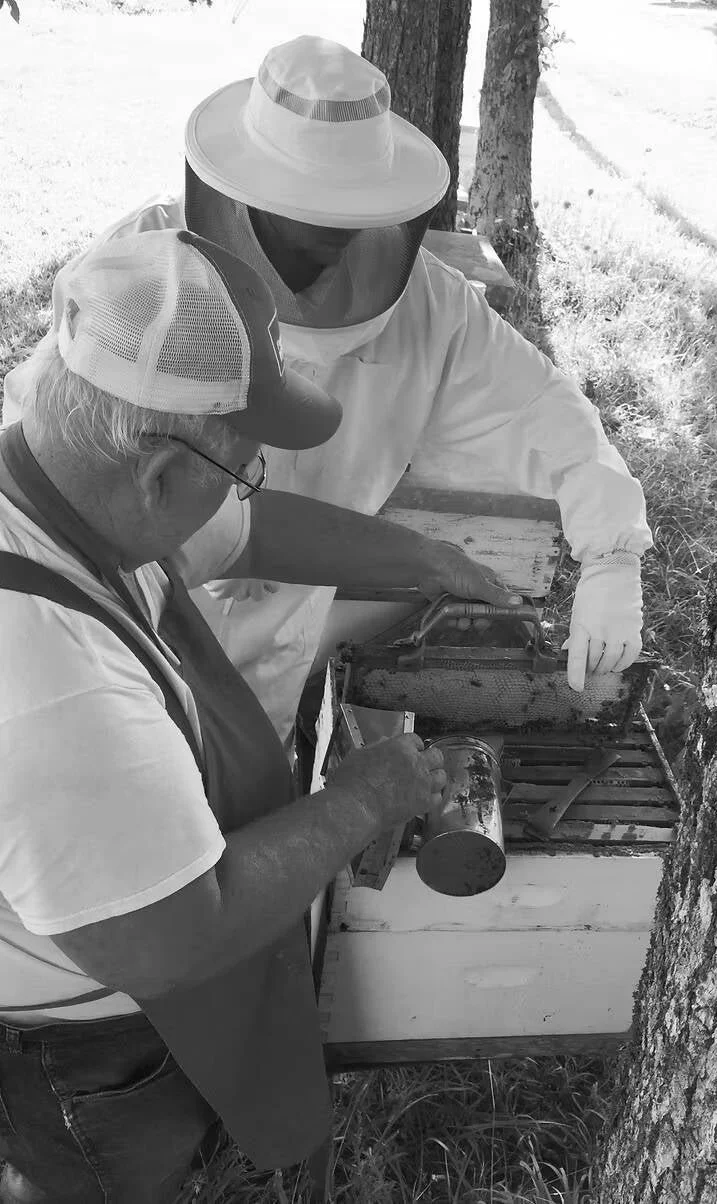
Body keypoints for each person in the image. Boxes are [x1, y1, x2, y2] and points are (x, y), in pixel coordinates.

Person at [0, 228, 519, 1203]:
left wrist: (427, 561)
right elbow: (174, 940)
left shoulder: (56, 470)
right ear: (157, 476)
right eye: (245, 465)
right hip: (95, 1053)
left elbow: (243, 531)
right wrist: (371, 793)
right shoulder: (50, 688)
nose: (245, 492)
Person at [3, 35, 653, 744]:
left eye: (347, 226)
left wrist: (612, 554)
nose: (328, 250)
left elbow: (546, 412)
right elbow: (54, 455)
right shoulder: (147, 273)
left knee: (252, 782)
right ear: (240, 195)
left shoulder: (432, 308)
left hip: (290, 630)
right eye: (306, 226)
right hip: (121, 629)